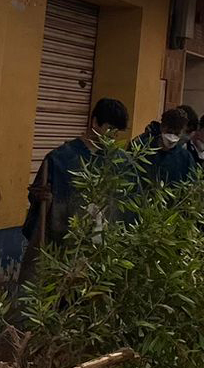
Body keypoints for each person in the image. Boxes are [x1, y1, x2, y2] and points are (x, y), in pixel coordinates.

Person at [23, 97, 129, 254]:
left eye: (118, 132)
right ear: (95, 122)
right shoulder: (59, 159)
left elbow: (128, 202)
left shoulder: (121, 162)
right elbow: (38, 202)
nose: (114, 136)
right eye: (110, 128)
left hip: (104, 253)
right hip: (63, 248)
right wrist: (41, 197)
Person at [135, 108, 196, 185]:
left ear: (182, 132)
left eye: (176, 134)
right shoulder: (141, 150)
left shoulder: (185, 158)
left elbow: (191, 185)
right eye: (169, 132)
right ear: (161, 127)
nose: (172, 137)